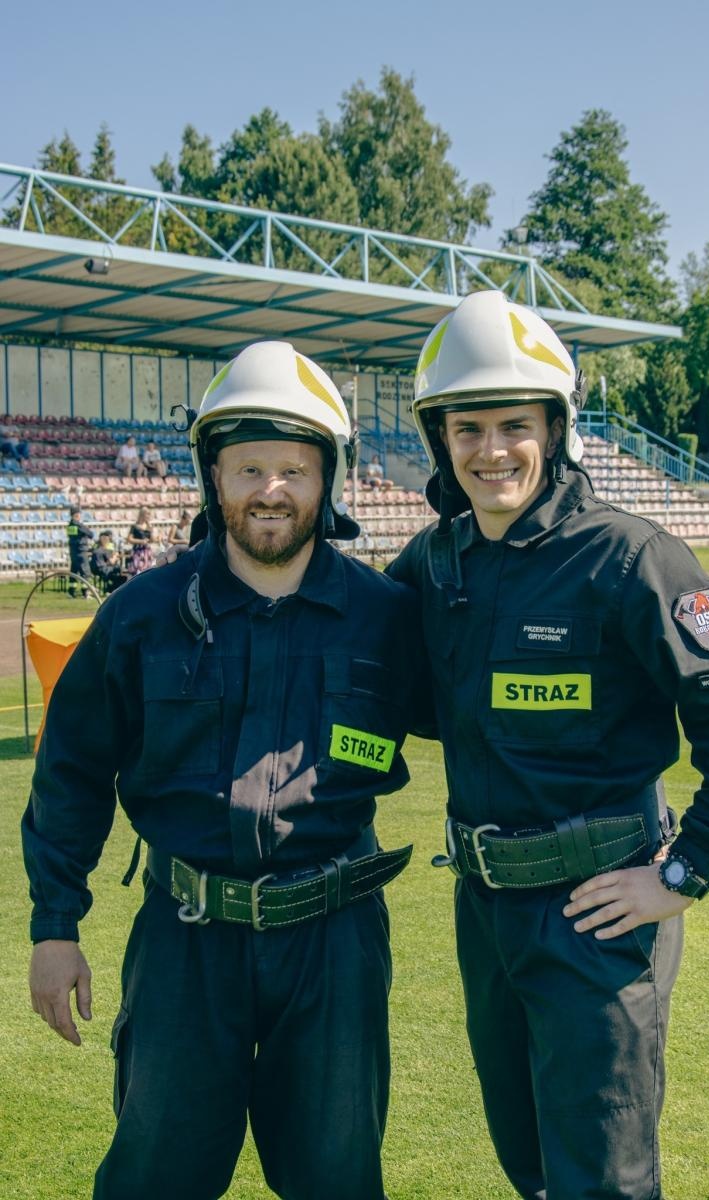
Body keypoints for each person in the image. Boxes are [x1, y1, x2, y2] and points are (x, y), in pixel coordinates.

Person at [387, 290, 709, 1200]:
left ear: (556, 428)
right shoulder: (433, 562)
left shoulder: (628, 558)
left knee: (600, 1182)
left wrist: (685, 872)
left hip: (598, 914)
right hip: (485, 909)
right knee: (527, 1161)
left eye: (513, 425)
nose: (491, 450)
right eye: (466, 428)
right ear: (438, 438)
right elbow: (372, 678)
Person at [22, 340, 428, 1200]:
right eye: (248, 468)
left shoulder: (389, 617)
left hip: (334, 941)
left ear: (329, 480)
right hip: (184, 935)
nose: (271, 490)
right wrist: (55, 926)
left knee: (337, 1182)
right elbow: (72, 772)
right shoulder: (141, 616)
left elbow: (500, 734)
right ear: (214, 479)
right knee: (154, 1178)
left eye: (293, 468)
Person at [66, 506, 94, 598]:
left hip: (73, 552)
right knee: (85, 572)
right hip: (81, 551)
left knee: (74, 572)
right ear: (76, 515)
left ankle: (71, 592)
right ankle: (85, 592)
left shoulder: (70, 525)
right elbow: (90, 534)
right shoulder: (78, 525)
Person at [126, 507, 153, 575]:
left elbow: (151, 540)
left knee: (147, 572)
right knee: (138, 571)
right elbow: (129, 539)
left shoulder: (149, 526)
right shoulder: (135, 526)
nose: (149, 516)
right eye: (147, 514)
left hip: (146, 551)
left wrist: (152, 532)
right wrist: (141, 541)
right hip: (138, 551)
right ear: (142, 514)